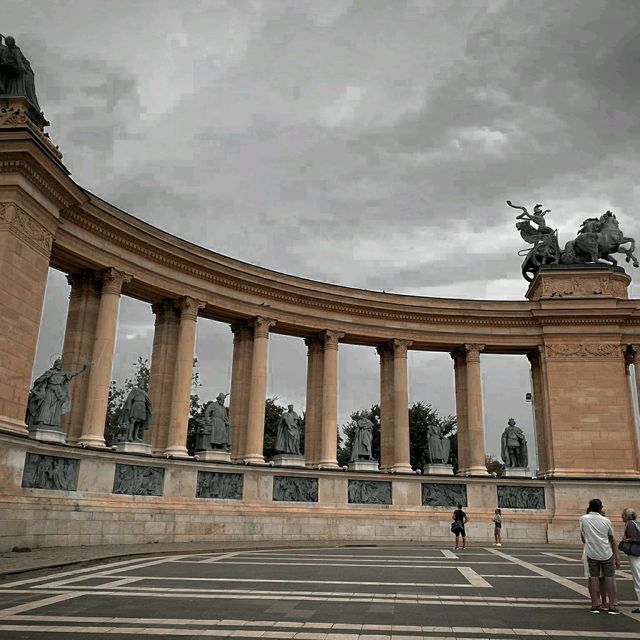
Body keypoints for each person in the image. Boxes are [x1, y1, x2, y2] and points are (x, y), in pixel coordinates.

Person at [579, 498, 620, 614]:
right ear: (600, 508)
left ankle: (594, 605)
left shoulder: (583, 519)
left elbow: (583, 538)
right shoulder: (606, 521)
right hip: (606, 552)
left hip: (592, 552)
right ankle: (611, 605)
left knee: (593, 578)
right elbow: (611, 537)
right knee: (609, 578)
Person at [25, 358, 88, 429]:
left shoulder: (63, 374)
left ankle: (54, 423)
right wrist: (42, 382)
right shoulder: (49, 372)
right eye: (58, 364)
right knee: (45, 406)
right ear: (55, 364)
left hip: (58, 393)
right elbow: (39, 380)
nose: (59, 365)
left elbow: (73, 373)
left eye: (60, 364)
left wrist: (82, 369)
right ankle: (41, 421)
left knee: (55, 409)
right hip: (49, 391)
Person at [0, 36, 41, 110]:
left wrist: (22, 68)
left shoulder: (13, 50)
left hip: (18, 71)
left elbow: (19, 61)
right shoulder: (5, 49)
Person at [620, 507, 640, 613]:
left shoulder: (630, 524)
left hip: (635, 553)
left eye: (622, 514)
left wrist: (625, 540)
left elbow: (635, 538)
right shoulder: (636, 522)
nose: (621, 516)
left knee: (637, 579)